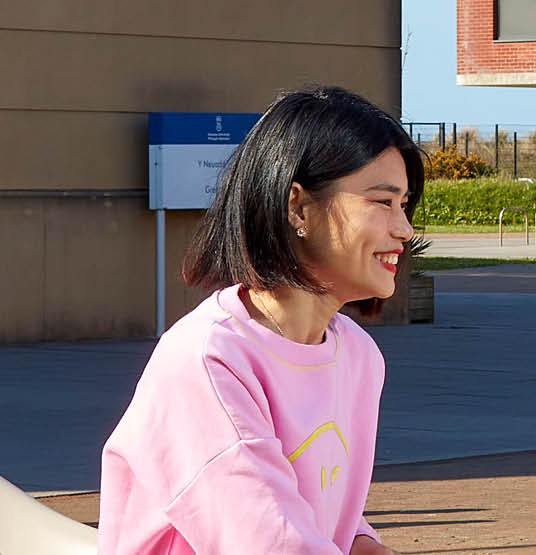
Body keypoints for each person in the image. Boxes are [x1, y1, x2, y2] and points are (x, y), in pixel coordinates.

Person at [98, 86, 419, 555]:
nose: (404, 229)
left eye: (404, 205)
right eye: (382, 202)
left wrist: (364, 543)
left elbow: (320, 509)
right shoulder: (209, 360)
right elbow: (271, 539)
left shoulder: (357, 355)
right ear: (298, 207)